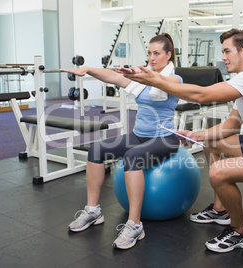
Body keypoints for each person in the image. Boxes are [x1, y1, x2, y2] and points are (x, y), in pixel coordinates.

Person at [118, 28, 243, 253]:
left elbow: (201, 95)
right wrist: (199, 136)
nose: (223, 57)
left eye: (227, 51)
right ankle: (220, 210)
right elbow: (231, 126)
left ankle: (239, 232)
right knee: (209, 144)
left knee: (218, 172)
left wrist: (156, 81)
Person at [61, 33, 182, 250]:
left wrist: (142, 75)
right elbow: (112, 77)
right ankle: (93, 210)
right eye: (149, 53)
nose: (152, 58)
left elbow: (168, 82)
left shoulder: (174, 79)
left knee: (132, 156)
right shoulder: (143, 78)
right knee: (97, 149)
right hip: (139, 135)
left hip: (165, 138)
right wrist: (88, 69)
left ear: (168, 55)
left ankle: (135, 225)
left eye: (157, 53)